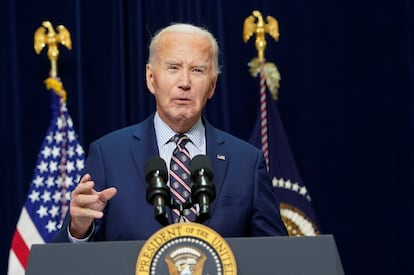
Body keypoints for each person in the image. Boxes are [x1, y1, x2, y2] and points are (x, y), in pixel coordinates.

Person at [53, 23, 288, 243]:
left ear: (212, 85)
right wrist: (79, 228)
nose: (184, 82)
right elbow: (65, 260)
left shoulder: (246, 161)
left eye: (197, 70)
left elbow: (279, 256)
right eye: (173, 68)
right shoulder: (108, 155)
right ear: (151, 78)